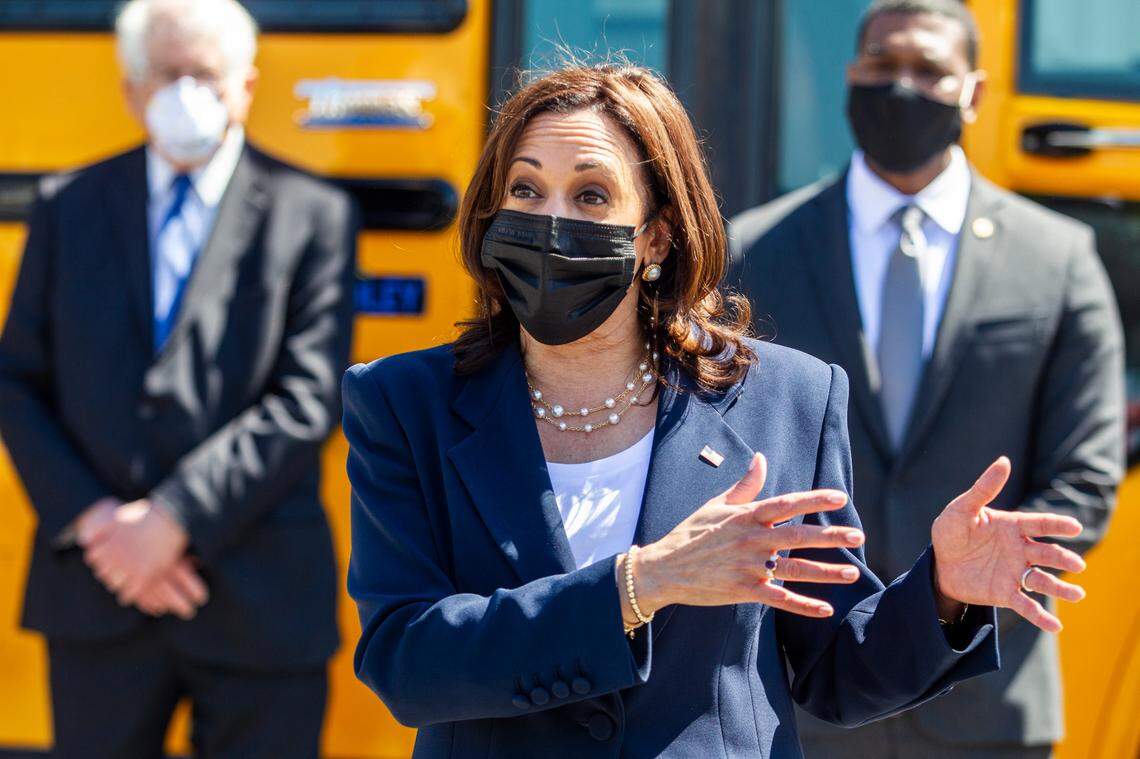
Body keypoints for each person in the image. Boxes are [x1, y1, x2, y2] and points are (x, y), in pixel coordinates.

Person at [342, 63, 1089, 759]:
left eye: (592, 195)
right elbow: (407, 660)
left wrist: (942, 592)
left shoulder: (785, 399)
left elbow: (835, 668)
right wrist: (641, 583)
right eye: (527, 191)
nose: (552, 220)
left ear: (657, 236)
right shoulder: (404, 403)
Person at [728, 1, 1125, 757]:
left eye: (929, 71)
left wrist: (959, 594)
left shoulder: (1060, 259)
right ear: (850, 78)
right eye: (882, 66)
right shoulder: (754, 252)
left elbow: (1086, 476)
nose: (902, 86)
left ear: (974, 93)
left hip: (985, 704)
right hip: (806, 698)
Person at [0, 0, 357, 756]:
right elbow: (17, 380)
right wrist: (101, 526)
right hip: (98, 596)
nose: (186, 93)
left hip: (262, 598)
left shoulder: (312, 214)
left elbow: (306, 399)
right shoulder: (69, 207)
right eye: (168, 74)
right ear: (131, 89)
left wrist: (172, 520)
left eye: (205, 75)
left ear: (246, 86)